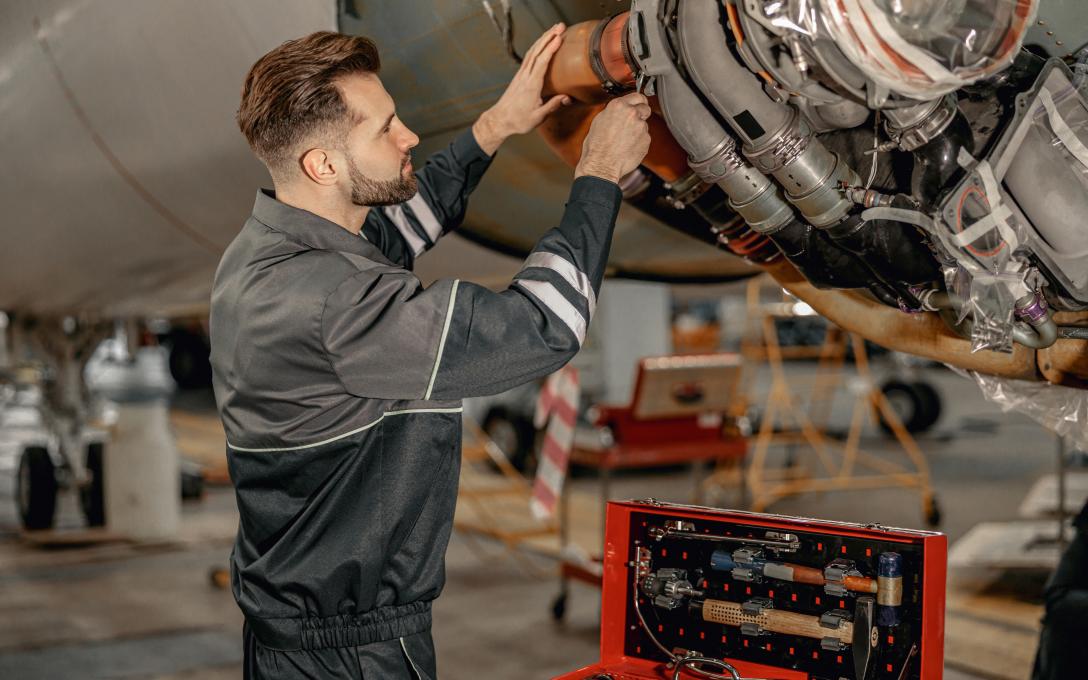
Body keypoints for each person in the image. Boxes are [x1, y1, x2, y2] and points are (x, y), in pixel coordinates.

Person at [210, 26, 650, 679]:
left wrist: (497, 125)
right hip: (354, 656)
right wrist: (600, 172)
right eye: (385, 127)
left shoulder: (269, 253)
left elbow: (402, 224)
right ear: (323, 166)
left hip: (294, 638)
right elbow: (542, 325)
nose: (408, 135)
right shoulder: (339, 304)